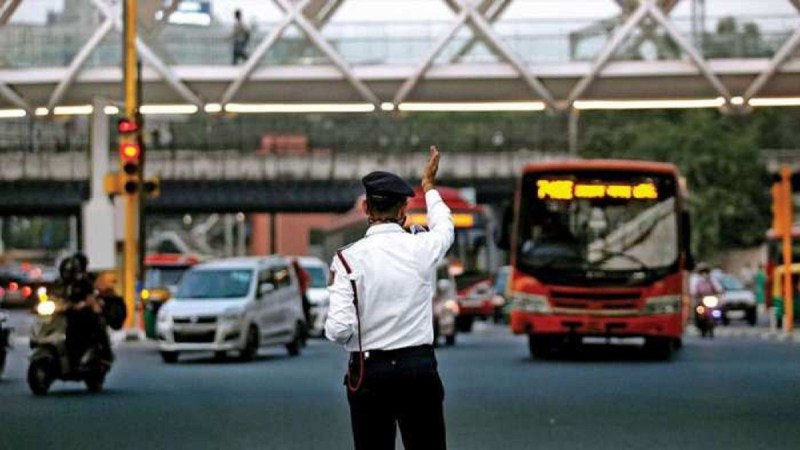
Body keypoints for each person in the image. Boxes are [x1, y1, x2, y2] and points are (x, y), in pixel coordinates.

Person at [325, 146, 453, 450]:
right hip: (418, 369)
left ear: (366, 209)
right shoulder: (421, 248)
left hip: (370, 372)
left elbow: (338, 329)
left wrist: (356, 343)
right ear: (402, 211)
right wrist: (429, 187)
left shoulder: (346, 260)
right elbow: (445, 226)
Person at [56, 253, 113, 368]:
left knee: (93, 326)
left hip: (82, 315)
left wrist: (82, 305)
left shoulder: (85, 281)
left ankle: (103, 355)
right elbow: (54, 295)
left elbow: (91, 298)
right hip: (67, 314)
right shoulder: (62, 283)